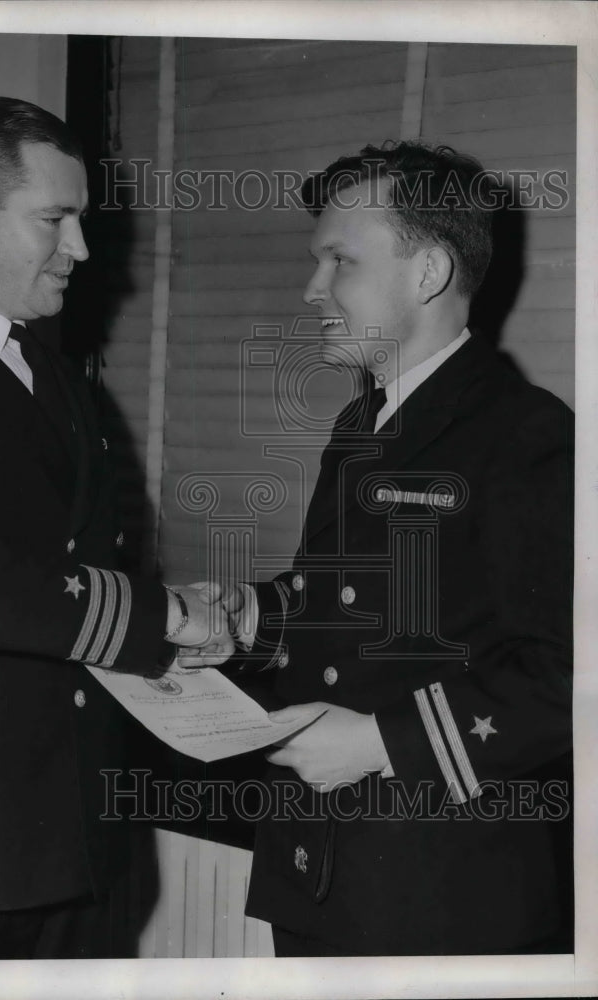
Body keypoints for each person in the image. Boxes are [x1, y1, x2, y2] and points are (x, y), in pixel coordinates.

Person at [0, 96, 232, 959]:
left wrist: (170, 632)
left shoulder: (60, 381)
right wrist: (159, 616)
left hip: (78, 837)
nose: (83, 250)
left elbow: (77, 570)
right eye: (56, 220)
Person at [215, 142, 574, 956]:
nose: (312, 290)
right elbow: (350, 606)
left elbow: (567, 673)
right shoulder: (361, 422)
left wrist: (382, 743)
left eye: (340, 260)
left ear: (428, 273)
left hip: (436, 894)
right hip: (320, 867)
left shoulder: (527, 436)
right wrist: (250, 616)